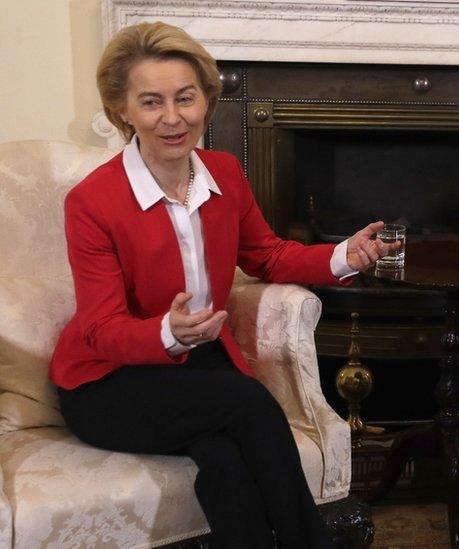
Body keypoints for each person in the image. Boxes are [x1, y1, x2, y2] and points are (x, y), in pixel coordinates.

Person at [50, 22, 398, 548]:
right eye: (151, 102)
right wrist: (169, 332)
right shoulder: (92, 202)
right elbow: (100, 329)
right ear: (122, 110)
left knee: (223, 458)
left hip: (196, 369)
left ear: (207, 100)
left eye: (185, 98)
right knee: (249, 403)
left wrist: (342, 256)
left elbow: (267, 255)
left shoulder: (224, 173)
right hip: (107, 382)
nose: (173, 118)